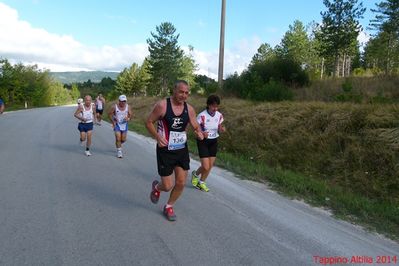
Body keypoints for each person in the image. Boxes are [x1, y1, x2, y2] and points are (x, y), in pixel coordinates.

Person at [146, 80, 204, 221]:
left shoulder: (189, 109)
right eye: (181, 92)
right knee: (167, 185)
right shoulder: (162, 106)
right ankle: (157, 188)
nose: (184, 95)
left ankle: (169, 206)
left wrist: (199, 132)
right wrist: (157, 136)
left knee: (181, 182)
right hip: (165, 149)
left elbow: (195, 125)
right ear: (174, 90)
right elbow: (148, 122)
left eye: (186, 93)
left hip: (181, 149)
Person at [191, 95, 226, 192]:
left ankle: (201, 182)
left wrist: (221, 129)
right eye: (213, 106)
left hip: (214, 141)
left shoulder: (219, 115)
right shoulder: (202, 116)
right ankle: (195, 174)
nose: (215, 108)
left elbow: (219, 126)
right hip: (203, 142)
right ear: (208, 105)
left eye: (217, 106)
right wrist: (201, 133)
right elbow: (195, 130)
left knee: (210, 166)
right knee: (205, 166)